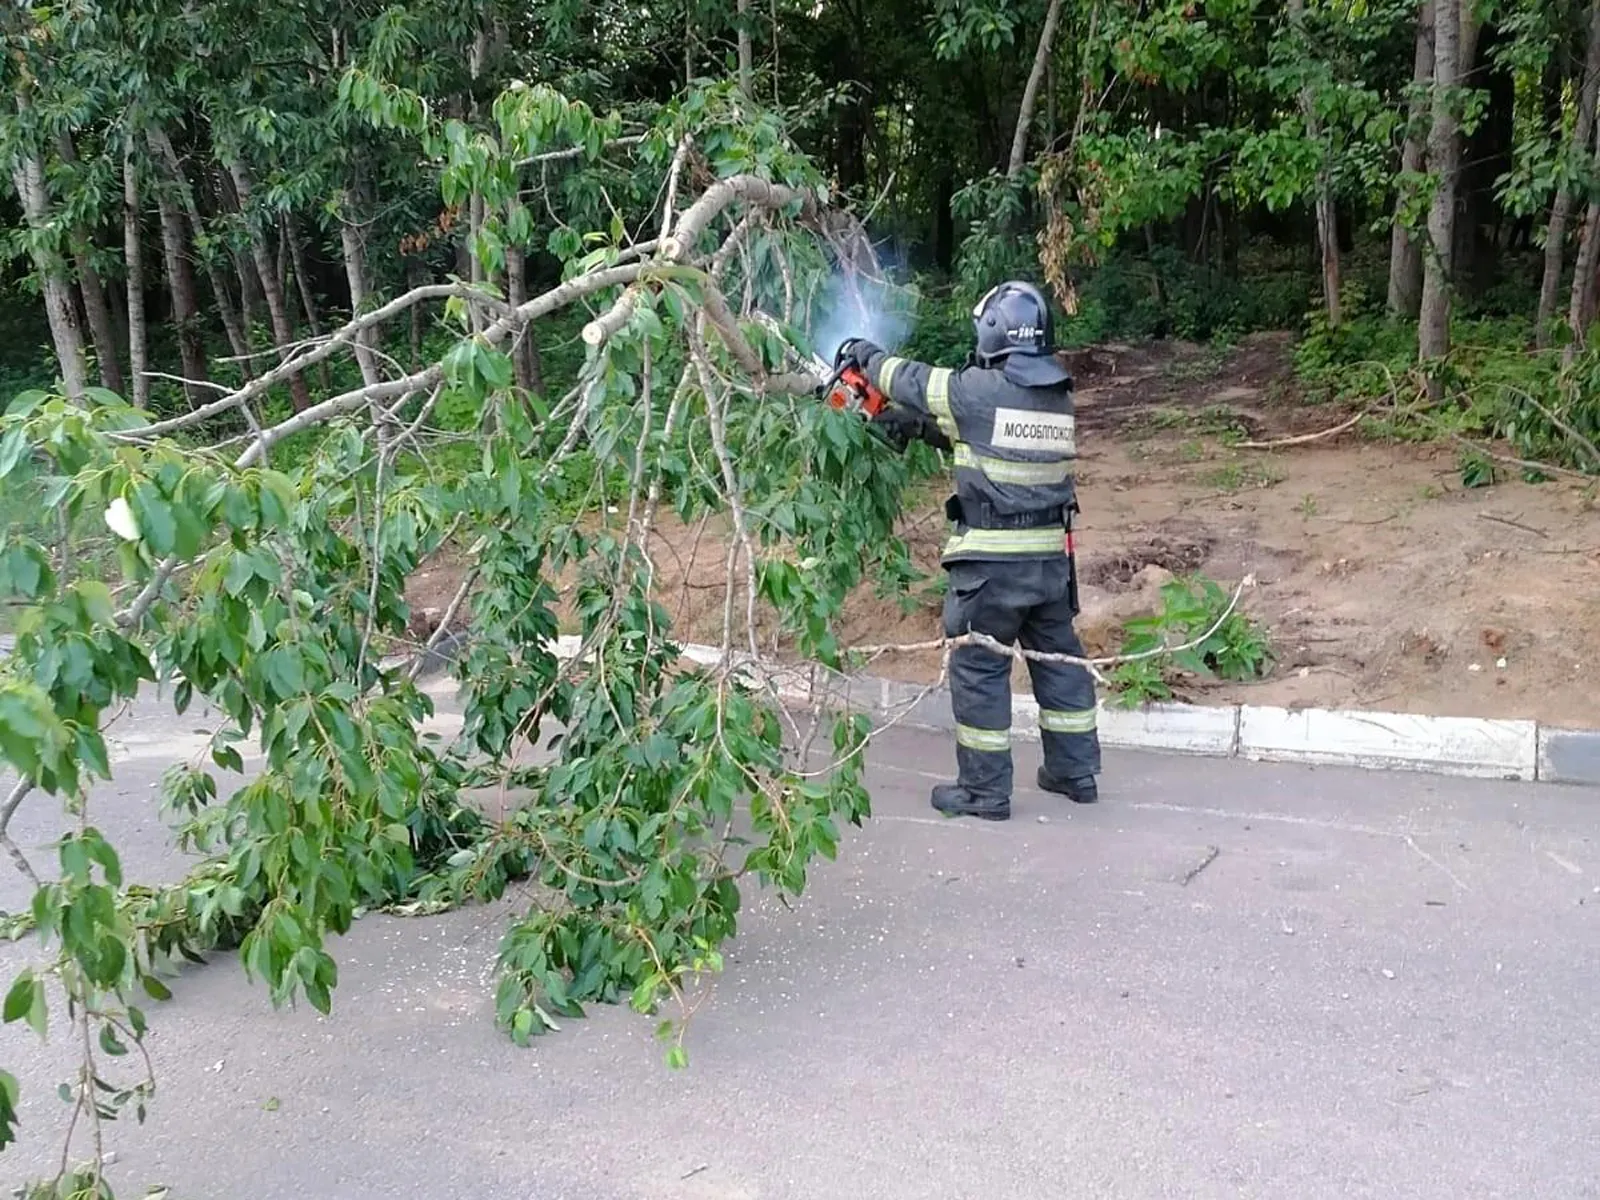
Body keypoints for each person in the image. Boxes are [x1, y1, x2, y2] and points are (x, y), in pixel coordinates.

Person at [836, 280, 1101, 821]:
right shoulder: (1057, 396)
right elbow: (988, 437)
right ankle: (1074, 772)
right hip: (1049, 563)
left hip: (990, 567)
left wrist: (864, 353)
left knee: (979, 668)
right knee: (1059, 662)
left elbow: (908, 379)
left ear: (993, 334)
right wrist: (920, 428)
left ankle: (984, 791)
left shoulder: (974, 390)